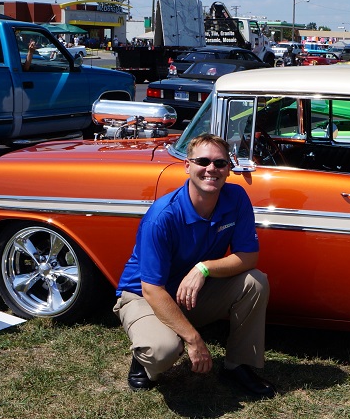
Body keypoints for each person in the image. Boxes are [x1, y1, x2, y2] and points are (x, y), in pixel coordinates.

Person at [113, 133, 275, 397]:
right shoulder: (162, 216)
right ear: (187, 166)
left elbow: (249, 257)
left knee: (255, 281)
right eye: (203, 161)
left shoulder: (236, 198)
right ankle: (145, 356)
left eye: (220, 163)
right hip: (144, 295)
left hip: (192, 292)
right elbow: (152, 288)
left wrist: (204, 268)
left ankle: (238, 366)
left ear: (229, 169)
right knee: (163, 350)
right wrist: (194, 339)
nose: (211, 169)